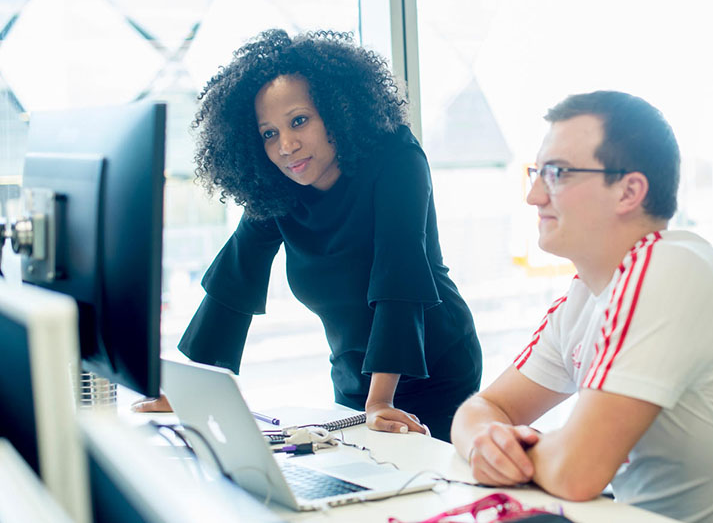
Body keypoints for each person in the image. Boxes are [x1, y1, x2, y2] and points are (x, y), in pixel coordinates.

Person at [450, 91, 713, 522]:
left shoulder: (671, 266)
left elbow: (578, 472)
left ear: (629, 191)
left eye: (556, 173)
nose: (534, 196)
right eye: (536, 172)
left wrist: (518, 451)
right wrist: (487, 441)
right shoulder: (581, 301)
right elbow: (480, 410)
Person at [136, 29, 481, 443]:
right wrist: (187, 388)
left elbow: (399, 279)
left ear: (337, 112)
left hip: (434, 365)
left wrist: (380, 402)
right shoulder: (278, 188)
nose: (286, 145)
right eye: (269, 133)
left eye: (299, 121)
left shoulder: (397, 160)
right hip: (354, 376)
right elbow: (235, 279)